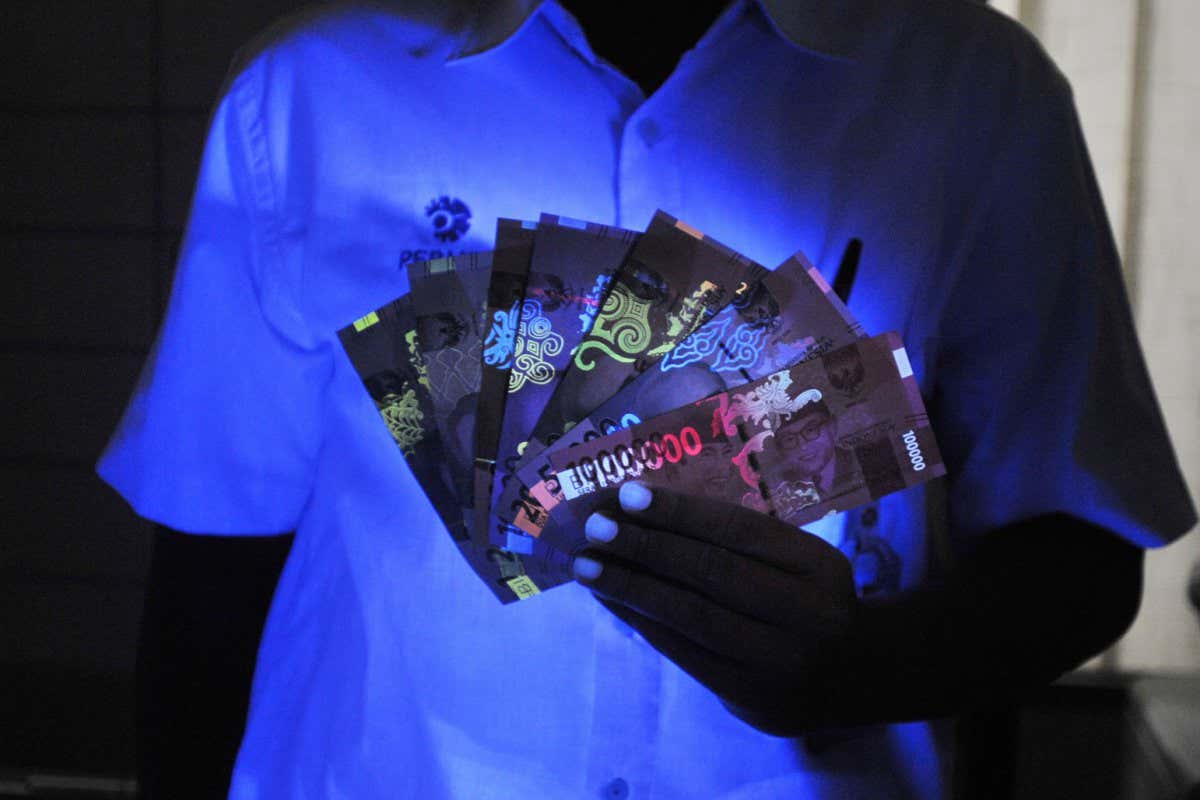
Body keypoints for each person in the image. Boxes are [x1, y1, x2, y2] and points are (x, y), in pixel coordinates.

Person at [99, 0, 1197, 797]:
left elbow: (1085, 550)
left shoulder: (977, 94)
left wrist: (863, 666)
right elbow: (208, 577)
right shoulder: (309, 97)